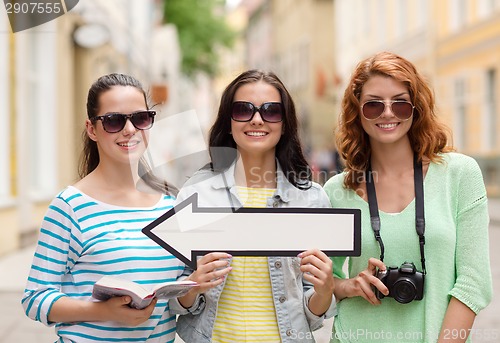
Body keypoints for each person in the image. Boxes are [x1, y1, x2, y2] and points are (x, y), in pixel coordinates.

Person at [323, 51, 493, 342]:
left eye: (400, 103)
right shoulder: (337, 191)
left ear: (416, 107)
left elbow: (473, 283)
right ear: (357, 112)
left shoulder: (460, 174)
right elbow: (325, 284)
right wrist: (351, 284)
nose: (387, 113)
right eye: (373, 105)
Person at [168, 70, 336, 343]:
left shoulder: (312, 199)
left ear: (285, 123)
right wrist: (195, 284)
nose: (257, 119)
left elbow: (314, 315)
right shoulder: (196, 193)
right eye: (243, 109)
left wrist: (325, 290)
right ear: (229, 120)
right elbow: (175, 300)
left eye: (271, 111)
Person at [22, 73, 184, 342]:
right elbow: (35, 299)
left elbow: (183, 298)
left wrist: (199, 280)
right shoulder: (69, 207)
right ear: (91, 129)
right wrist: (104, 311)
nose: (130, 129)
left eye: (140, 118)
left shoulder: (171, 205)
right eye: (114, 120)